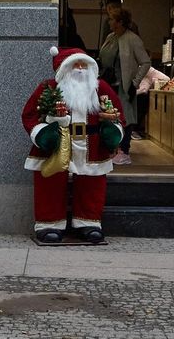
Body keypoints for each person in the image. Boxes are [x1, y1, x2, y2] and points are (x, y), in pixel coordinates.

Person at [22, 47, 126, 243]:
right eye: (74, 65)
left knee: (92, 184)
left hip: (92, 145)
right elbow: (30, 115)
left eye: (83, 64)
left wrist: (113, 131)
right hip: (57, 143)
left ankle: (88, 223)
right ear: (64, 69)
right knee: (50, 183)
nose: (79, 69)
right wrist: (42, 133)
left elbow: (118, 113)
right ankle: (49, 224)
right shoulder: (49, 88)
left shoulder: (101, 88)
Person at [99, 8, 151, 165]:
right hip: (109, 83)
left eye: (111, 19)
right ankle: (111, 148)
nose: (109, 22)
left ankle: (125, 150)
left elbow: (145, 62)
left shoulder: (133, 39)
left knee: (126, 117)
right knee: (108, 114)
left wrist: (135, 82)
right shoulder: (110, 37)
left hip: (125, 85)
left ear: (120, 22)